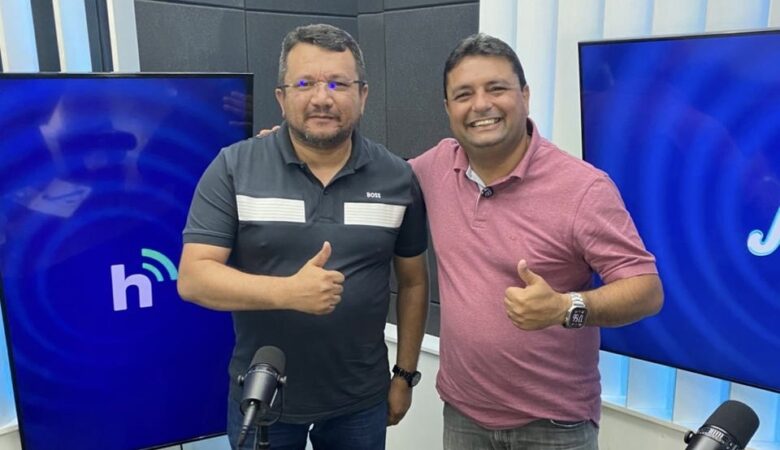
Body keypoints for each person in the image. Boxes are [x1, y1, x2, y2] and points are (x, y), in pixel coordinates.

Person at [177, 24, 428, 450]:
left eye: (338, 83)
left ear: (363, 95)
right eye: (305, 83)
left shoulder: (397, 177)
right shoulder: (234, 168)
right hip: (263, 397)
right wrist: (289, 292)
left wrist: (404, 376)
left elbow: (414, 282)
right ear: (281, 97)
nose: (321, 98)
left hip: (360, 402)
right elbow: (194, 278)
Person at [409, 33, 664, 449]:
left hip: (554, 425)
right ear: (448, 108)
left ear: (524, 96)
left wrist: (566, 307)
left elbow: (646, 290)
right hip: (463, 414)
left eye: (496, 88)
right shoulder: (436, 166)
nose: (481, 105)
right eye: (464, 94)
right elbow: (374, 179)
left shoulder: (583, 188)